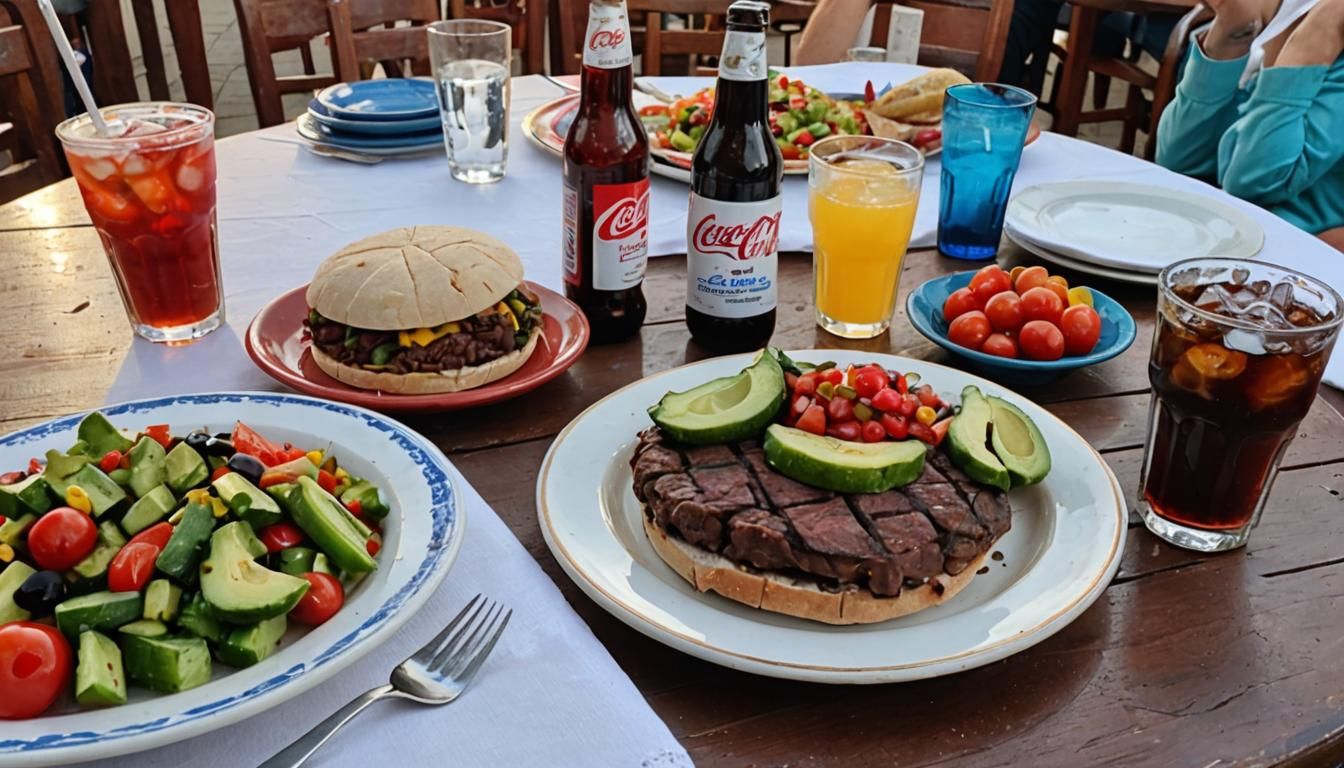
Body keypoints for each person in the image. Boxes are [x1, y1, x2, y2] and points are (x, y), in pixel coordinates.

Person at [1156, 0, 1344, 248]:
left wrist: (1317, 34)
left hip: (1292, 258)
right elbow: (1179, 158)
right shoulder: (1289, 11)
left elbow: (1251, 183)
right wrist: (1231, 31)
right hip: (1218, 235)